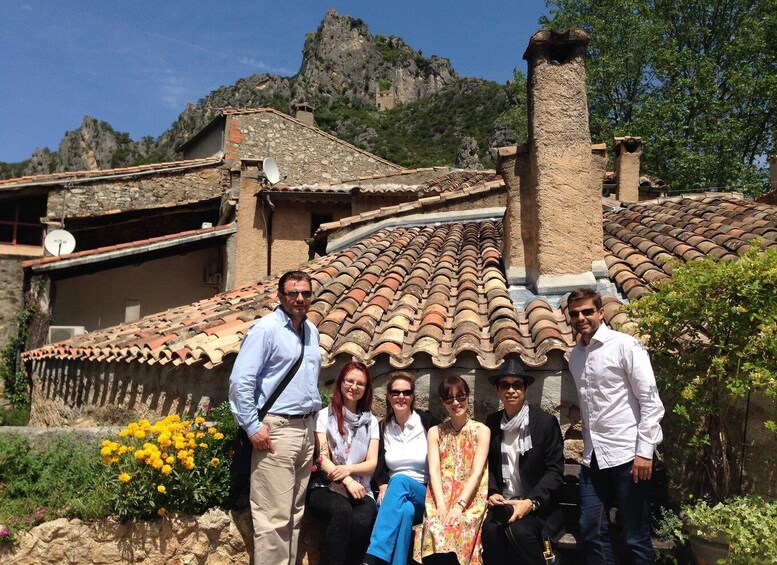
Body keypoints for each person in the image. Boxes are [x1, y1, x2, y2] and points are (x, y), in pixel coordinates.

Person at [228, 270, 322, 565]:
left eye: (305, 293)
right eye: (293, 293)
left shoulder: (312, 331)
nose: (300, 299)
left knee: (294, 515)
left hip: (305, 429)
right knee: (273, 519)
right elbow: (240, 381)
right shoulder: (266, 330)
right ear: (280, 296)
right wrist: (253, 426)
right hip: (276, 429)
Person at [567, 288, 665, 565]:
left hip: (629, 456)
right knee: (591, 529)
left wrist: (645, 451)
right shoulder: (576, 356)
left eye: (587, 311)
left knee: (634, 535)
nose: (581, 317)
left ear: (600, 312)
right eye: (575, 313)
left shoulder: (625, 346)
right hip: (593, 458)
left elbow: (650, 401)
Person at [481, 358, 565, 565]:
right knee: (490, 531)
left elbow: (554, 471)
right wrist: (492, 492)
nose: (511, 390)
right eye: (505, 385)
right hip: (505, 503)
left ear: (525, 390)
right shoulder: (492, 423)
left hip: (537, 506)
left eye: (517, 385)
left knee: (518, 531)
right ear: (498, 391)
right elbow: (488, 465)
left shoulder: (545, 424)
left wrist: (530, 502)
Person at [307, 361, 379, 565]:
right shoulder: (323, 416)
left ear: (366, 389)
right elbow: (322, 458)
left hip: (361, 487)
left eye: (360, 383)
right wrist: (348, 480)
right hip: (326, 486)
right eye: (349, 381)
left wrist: (349, 470)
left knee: (362, 520)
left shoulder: (370, 421)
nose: (354, 387)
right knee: (341, 511)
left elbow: (371, 463)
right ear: (340, 383)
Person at [363, 372, 440, 565]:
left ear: (413, 396)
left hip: (424, 491)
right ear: (388, 396)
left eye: (406, 392)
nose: (401, 397)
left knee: (399, 480)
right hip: (395, 496)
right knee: (405, 511)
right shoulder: (383, 428)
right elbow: (378, 464)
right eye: (395, 392)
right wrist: (381, 483)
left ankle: (375, 554)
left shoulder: (428, 424)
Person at [414, 376, 490, 565]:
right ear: (443, 402)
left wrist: (459, 506)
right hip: (441, 497)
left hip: (470, 499)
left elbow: (477, 472)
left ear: (468, 397)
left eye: (460, 397)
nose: (456, 403)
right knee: (435, 525)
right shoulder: (435, 432)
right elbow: (434, 471)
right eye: (449, 399)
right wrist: (440, 505)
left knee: (459, 525)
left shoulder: (481, 431)